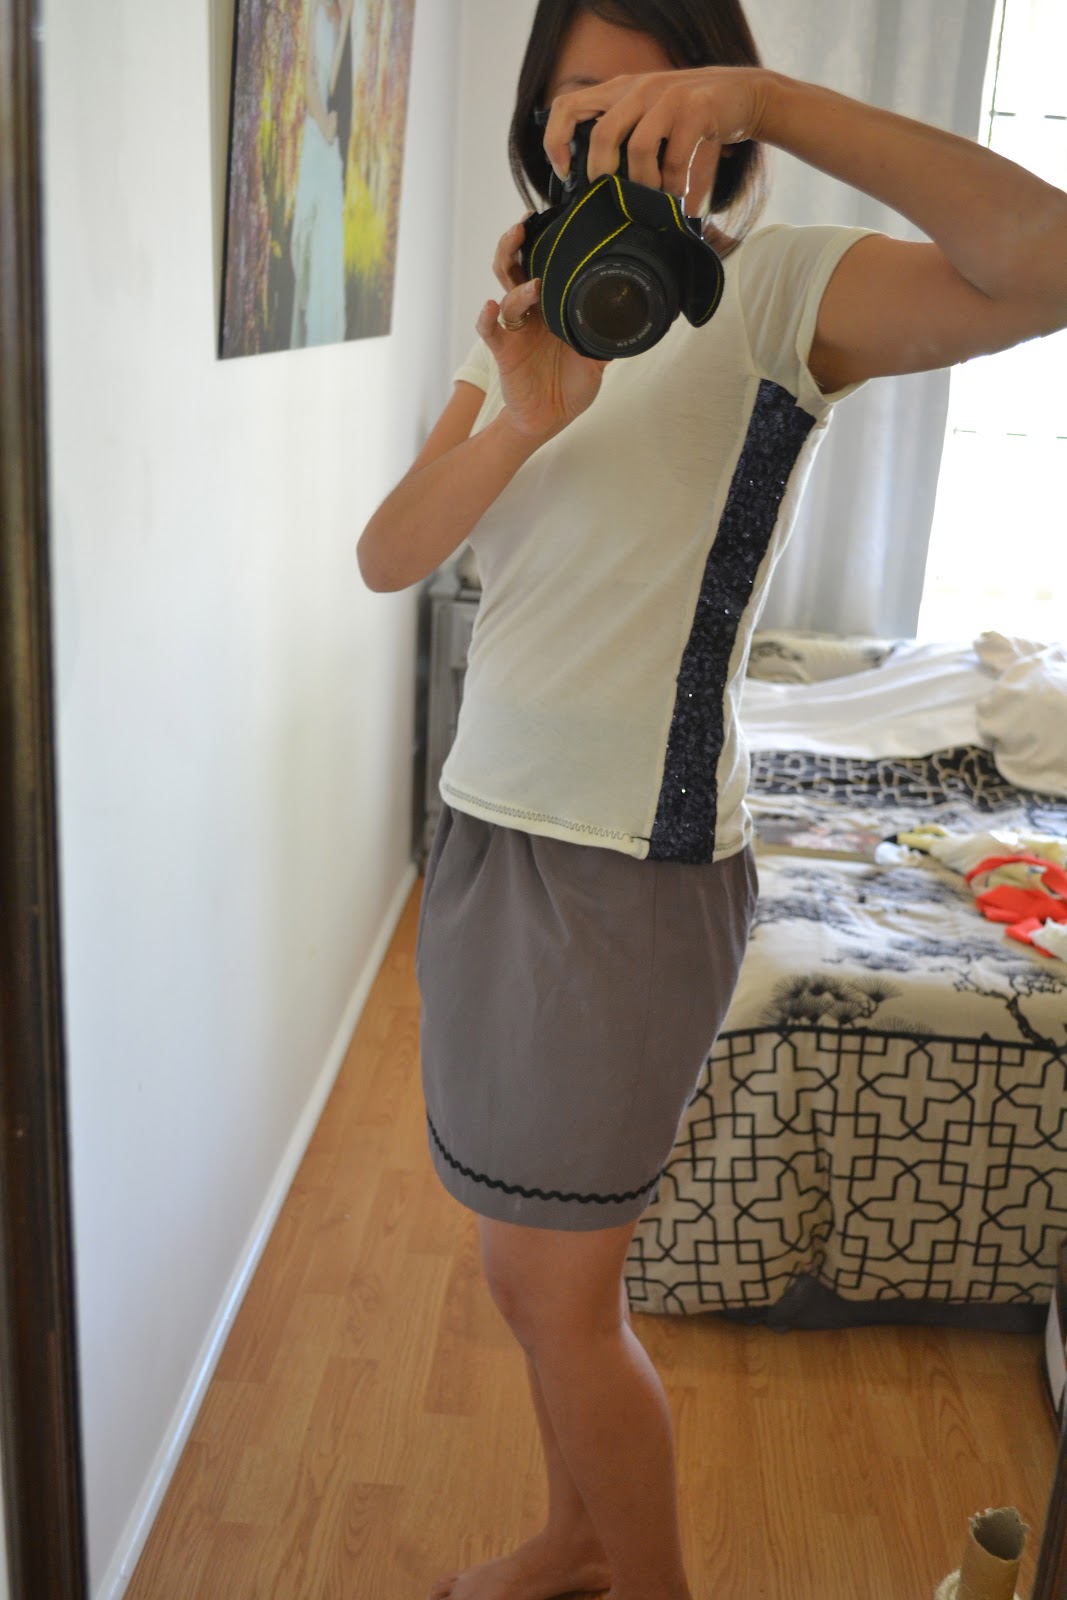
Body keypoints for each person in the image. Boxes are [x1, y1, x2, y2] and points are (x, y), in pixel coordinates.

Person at [357, 3, 1067, 1597]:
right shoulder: (526, 320)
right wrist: (523, 411)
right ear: (539, 127)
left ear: (711, 119)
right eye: (578, 105)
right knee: (519, 1274)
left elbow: (1043, 262)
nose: (607, 135)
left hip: (630, 868)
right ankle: (574, 1541)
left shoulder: (777, 292)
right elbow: (389, 555)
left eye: (652, 100)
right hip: (484, 840)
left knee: (561, 1299)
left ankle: (645, 1581)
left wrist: (766, 97)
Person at [289, 0, 354, 348]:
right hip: (317, 133)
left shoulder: (342, 12)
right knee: (307, 241)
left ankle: (322, 336)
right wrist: (324, 126)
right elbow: (309, 79)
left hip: (330, 138)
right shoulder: (313, 10)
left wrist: (345, 25)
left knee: (328, 241)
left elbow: (334, 83)